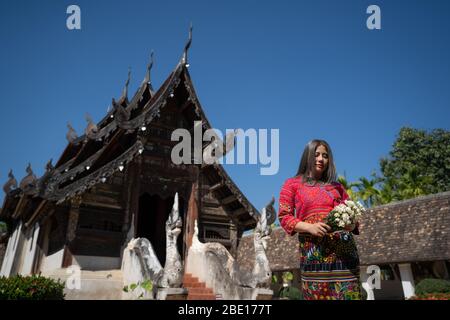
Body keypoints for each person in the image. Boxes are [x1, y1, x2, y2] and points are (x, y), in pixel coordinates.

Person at [278, 139, 362, 300]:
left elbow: (352, 215)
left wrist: (351, 224)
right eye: (316, 155)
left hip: (344, 253)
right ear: (307, 157)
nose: (321, 159)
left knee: (349, 295)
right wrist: (309, 227)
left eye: (325, 155)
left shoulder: (337, 187)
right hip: (314, 253)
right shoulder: (292, 184)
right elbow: (284, 216)